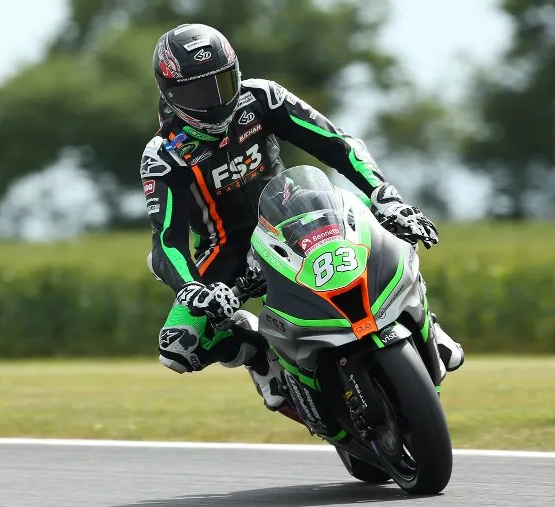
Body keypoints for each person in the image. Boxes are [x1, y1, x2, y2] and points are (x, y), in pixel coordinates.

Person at [141, 23, 464, 414]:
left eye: (222, 83)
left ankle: (423, 316)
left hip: (294, 209)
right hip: (227, 246)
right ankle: (260, 355)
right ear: (170, 95)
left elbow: (338, 145)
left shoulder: (263, 97)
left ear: (236, 72)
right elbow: (166, 243)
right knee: (177, 347)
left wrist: (386, 197)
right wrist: (193, 288)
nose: (214, 101)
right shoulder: (164, 154)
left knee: (386, 230)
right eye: (197, 92)